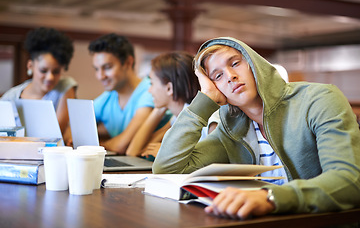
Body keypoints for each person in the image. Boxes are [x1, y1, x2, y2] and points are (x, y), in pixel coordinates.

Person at [153, 37, 360, 219]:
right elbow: (169, 169)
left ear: (254, 64)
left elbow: (349, 181)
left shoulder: (319, 100)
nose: (230, 76)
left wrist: (270, 198)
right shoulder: (231, 130)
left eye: (235, 63)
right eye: (217, 76)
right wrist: (203, 102)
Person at [126, 51, 219, 160]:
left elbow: (211, 162)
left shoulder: (210, 122)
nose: (149, 90)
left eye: (152, 83)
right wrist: (159, 110)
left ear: (169, 88)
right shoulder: (177, 117)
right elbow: (133, 152)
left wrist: (168, 153)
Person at [88, 33, 169, 154]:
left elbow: (122, 145)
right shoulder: (108, 96)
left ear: (128, 62)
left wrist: (94, 147)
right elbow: (75, 129)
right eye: (97, 69)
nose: (100, 76)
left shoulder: (150, 91)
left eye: (107, 67)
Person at [0, 27, 77, 144]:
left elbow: (55, 136)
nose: (50, 77)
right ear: (30, 66)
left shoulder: (65, 87)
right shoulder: (10, 97)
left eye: (56, 72)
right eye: (43, 70)